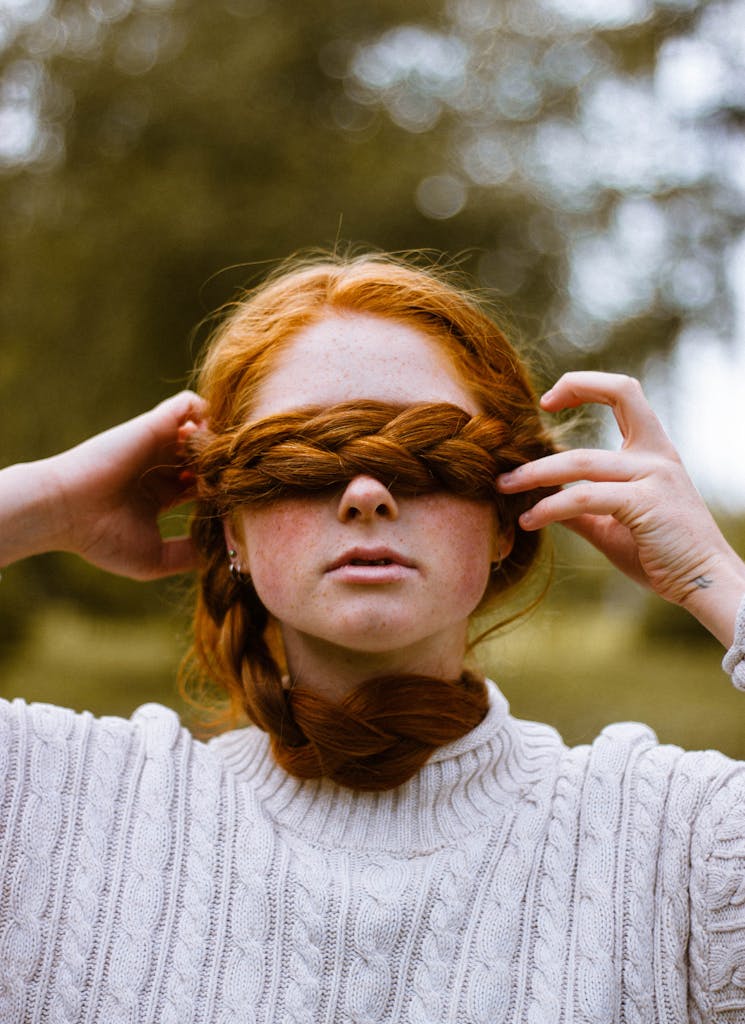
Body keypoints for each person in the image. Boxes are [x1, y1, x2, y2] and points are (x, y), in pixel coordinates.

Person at [1, 253, 744, 1023]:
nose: (365, 494)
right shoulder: (51, 806)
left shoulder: (679, 846)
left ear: (502, 517)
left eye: (423, 454)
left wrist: (715, 580)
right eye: (303, 457)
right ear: (232, 531)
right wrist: (46, 501)